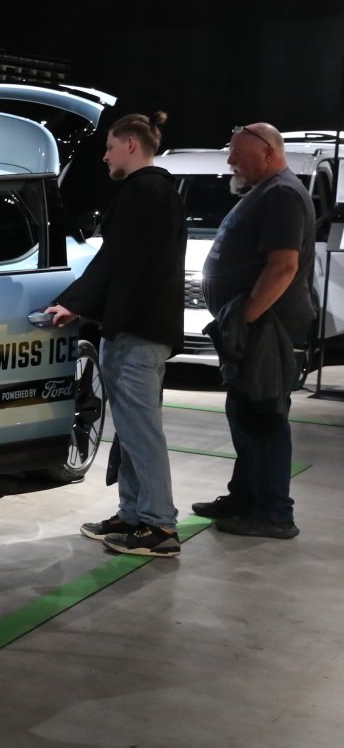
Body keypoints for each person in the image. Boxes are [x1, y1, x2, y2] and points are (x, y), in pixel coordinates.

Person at [45, 112, 187, 557]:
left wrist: (74, 302)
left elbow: (117, 261)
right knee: (130, 430)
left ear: (130, 145)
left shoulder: (144, 192)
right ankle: (133, 515)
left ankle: (159, 526)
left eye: (109, 147)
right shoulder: (157, 192)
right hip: (137, 329)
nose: (105, 157)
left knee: (141, 431)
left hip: (137, 332)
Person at [191, 122, 316, 539]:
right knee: (246, 414)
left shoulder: (281, 194)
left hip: (269, 329)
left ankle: (275, 513)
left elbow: (283, 267)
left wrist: (246, 318)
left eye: (238, 154)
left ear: (267, 152)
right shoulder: (268, 191)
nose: (230, 160)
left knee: (264, 418)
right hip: (259, 327)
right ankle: (244, 497)